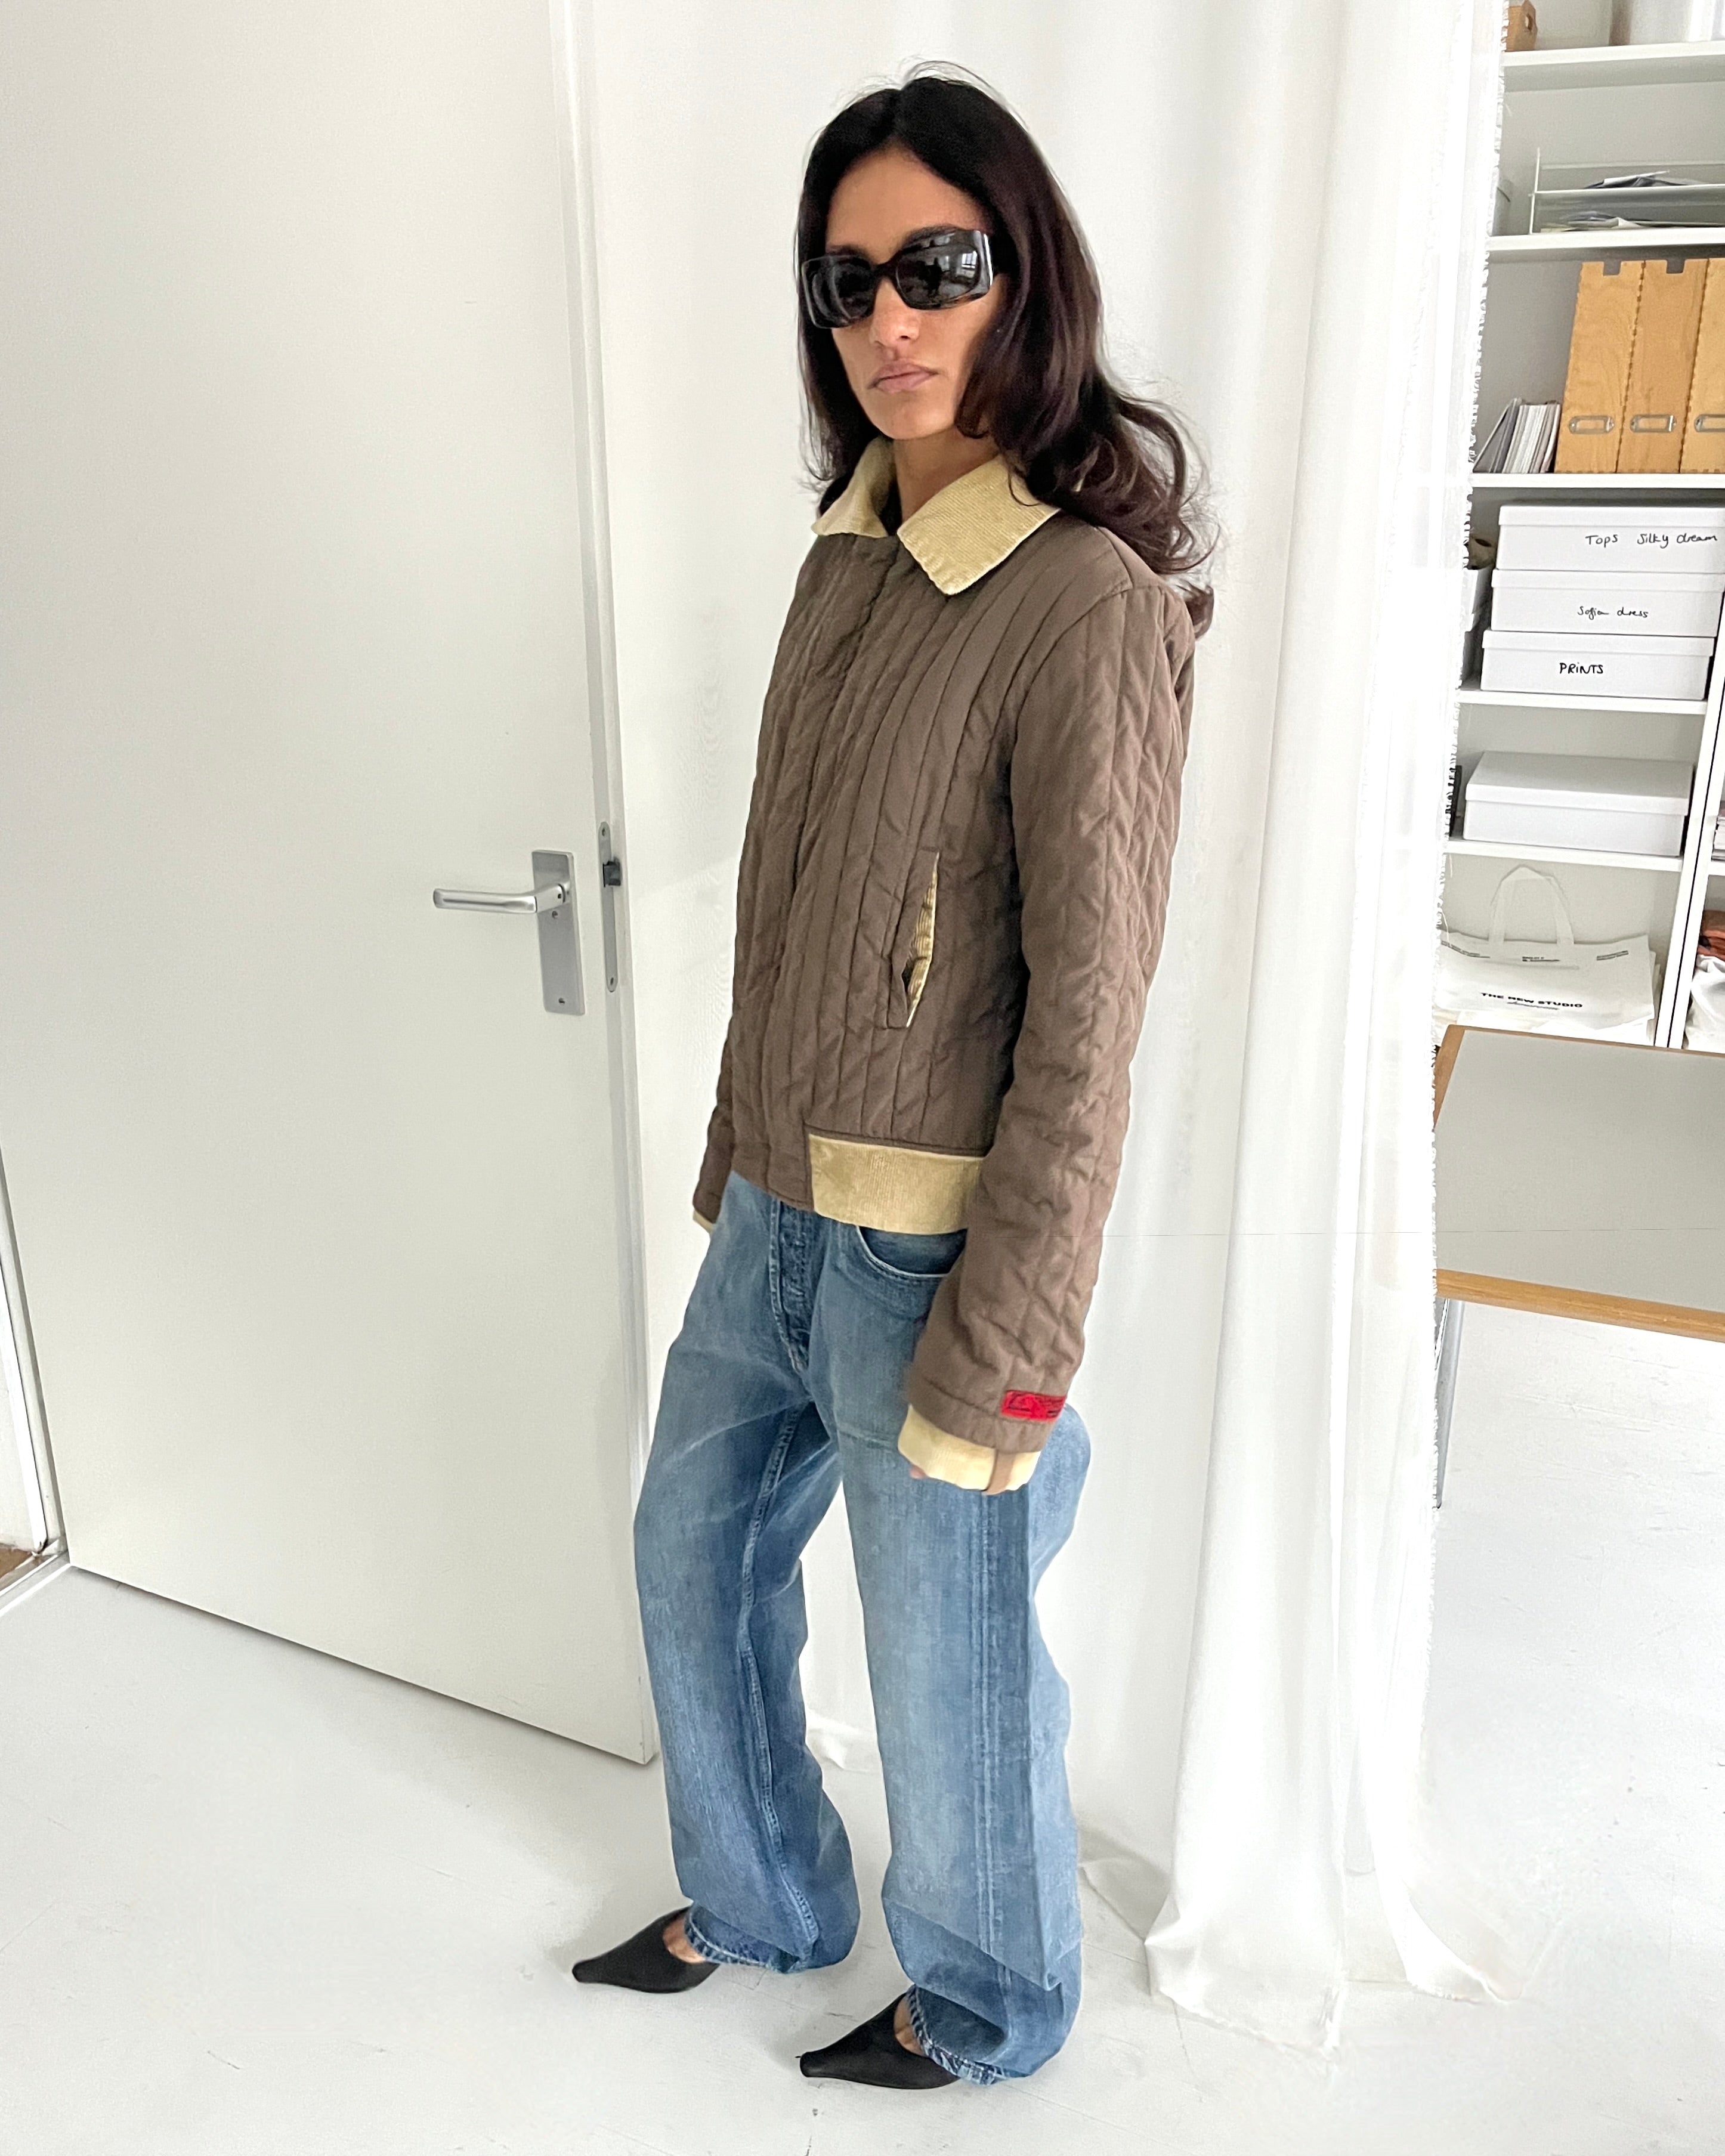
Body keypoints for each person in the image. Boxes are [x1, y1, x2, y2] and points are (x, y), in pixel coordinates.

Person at [573, 67, 1210, 2090]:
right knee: (690, 1553)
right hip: (772, 1213)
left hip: (928, 1257)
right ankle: (765, 1894)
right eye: (845, 281)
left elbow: (1092, 1012)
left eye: (936, 265)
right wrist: (733, 1154)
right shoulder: (845, 557)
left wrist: (1012, 1340)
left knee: (950, 1664)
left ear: (1025, 278)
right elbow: (791, 902)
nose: (888, 320)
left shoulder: (1082, 603)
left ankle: (991, 2002)